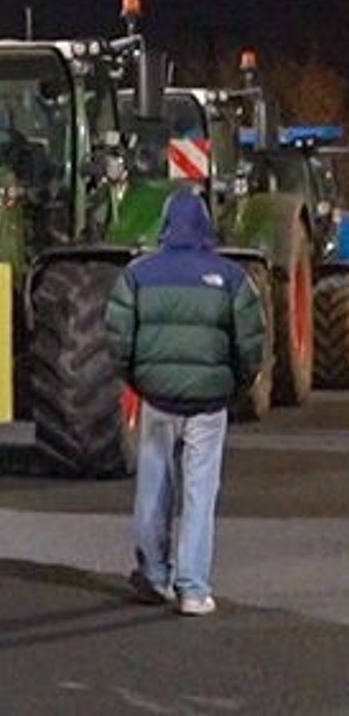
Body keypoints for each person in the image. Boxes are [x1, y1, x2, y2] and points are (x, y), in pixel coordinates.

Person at [105, 190, 265, 616]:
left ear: (166, 226)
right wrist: (237, 385)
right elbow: (251, 345)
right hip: (210, 403)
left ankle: (154, 576)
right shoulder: (230, 278)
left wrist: (137, 379)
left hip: (157, 398)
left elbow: (118, 338)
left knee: (153, 485)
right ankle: (193, 589)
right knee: (200, 492)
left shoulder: (138, 275)